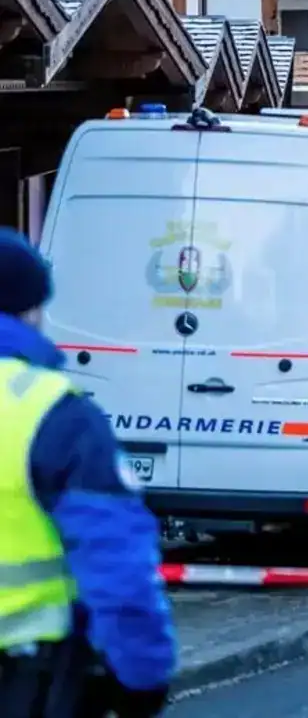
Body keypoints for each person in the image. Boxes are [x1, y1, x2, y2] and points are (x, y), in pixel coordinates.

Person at [0, 228, 175, 718]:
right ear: (30, 310)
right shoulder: (51, 412)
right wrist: (142, 675)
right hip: (23, 678)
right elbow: (116, 560)